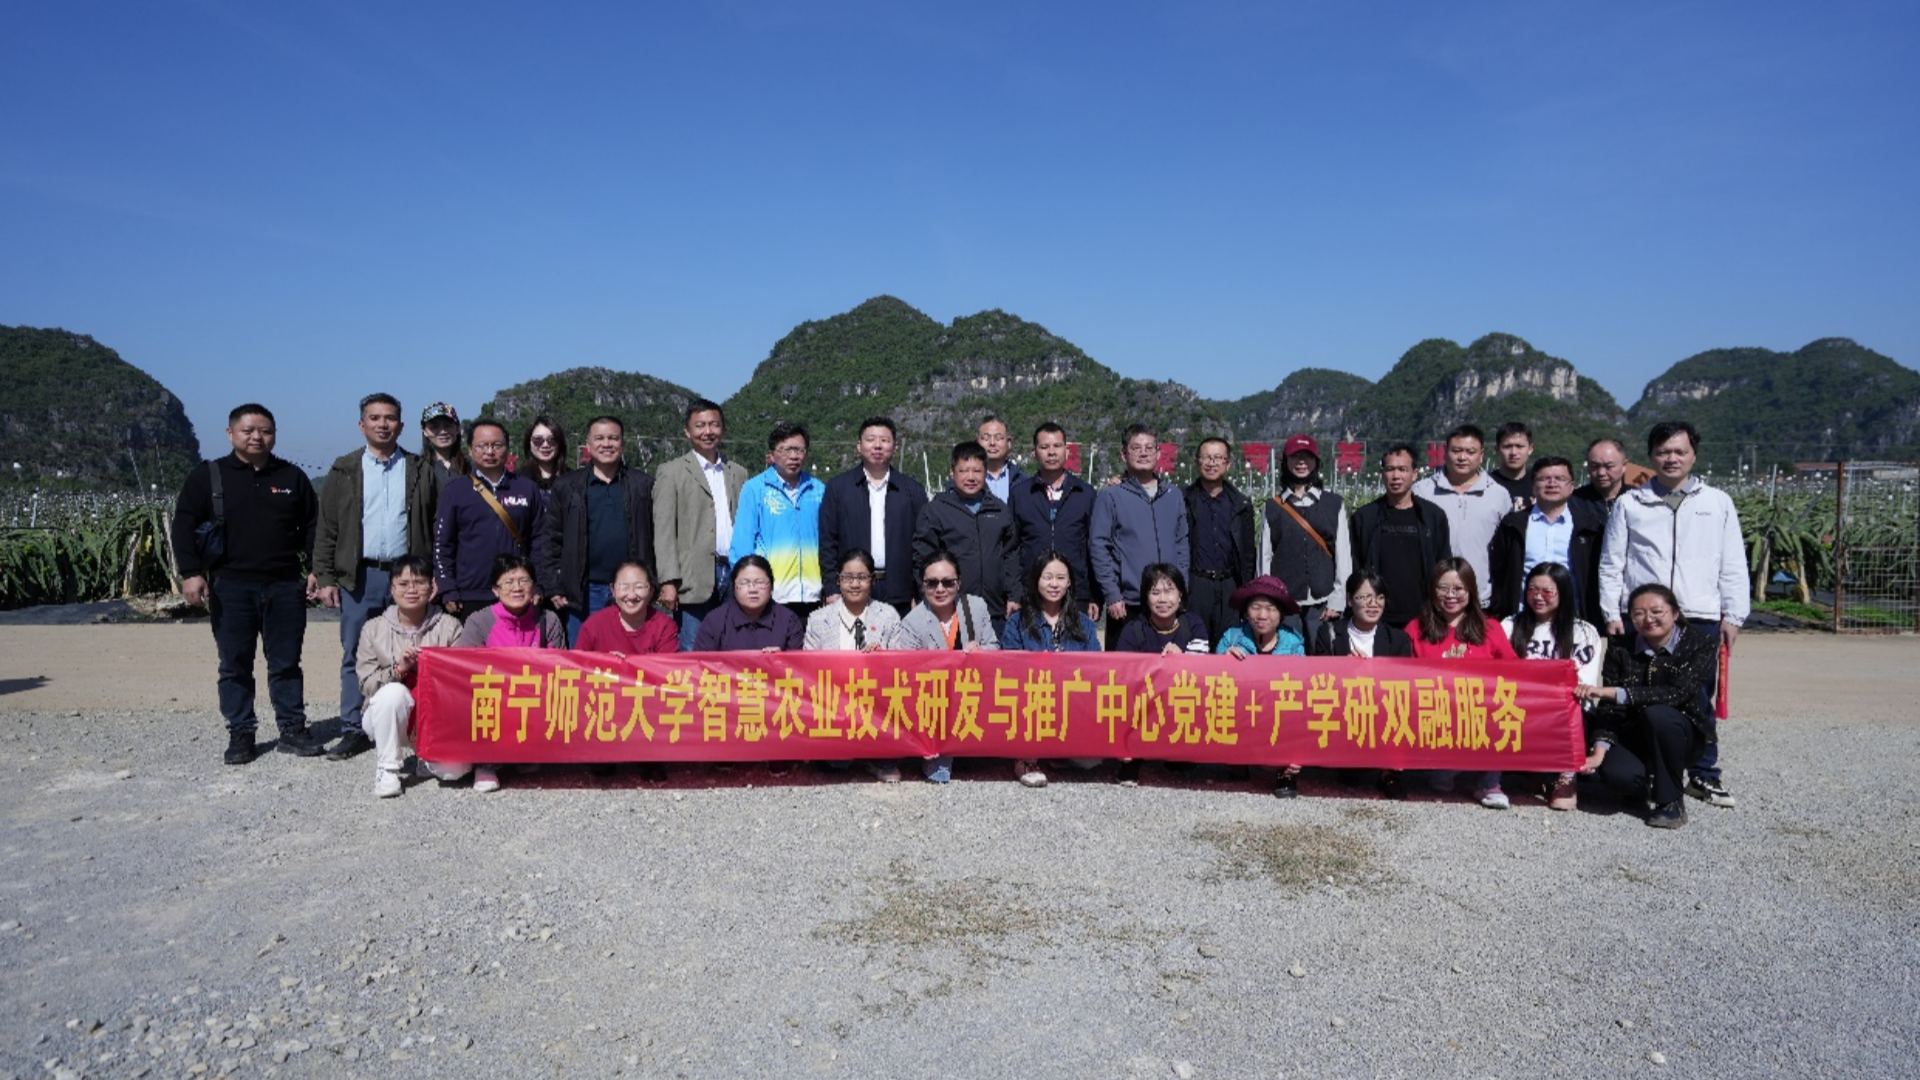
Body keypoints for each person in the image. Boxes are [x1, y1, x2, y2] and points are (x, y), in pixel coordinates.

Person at [1596, 420, 1749, 810]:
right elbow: (1612, 562)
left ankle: (1703, 773)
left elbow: (1733, 562)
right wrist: (1612, 611)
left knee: (1698, 697)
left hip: (1698, 614)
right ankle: (1649, 766)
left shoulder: (1717, 503)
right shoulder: (1631, 503)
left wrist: (1733, 615)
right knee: (1640, 693)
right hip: (1642, 616)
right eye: (1663, 451)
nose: (1671, 458)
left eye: (1680, 451)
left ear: (1694, 455)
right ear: (1650, 456)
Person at [170, 404, 324, 765]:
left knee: (286, 662)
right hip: (230, 586)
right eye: (248, 430)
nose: (257, 437)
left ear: (275, 435)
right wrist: (191, 572)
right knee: (235, 664)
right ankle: (241, 732)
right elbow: (183, 525)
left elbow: (313, 526)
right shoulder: (208, 476)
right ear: (230, 434)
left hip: (285, 584)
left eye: (265, 431)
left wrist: (316, 569)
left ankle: (292, 728)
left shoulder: (291, 476)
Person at [309, 392, 441, 761]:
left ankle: (414, 724)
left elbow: (435, 525)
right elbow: (327, 527)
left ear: (401, 424)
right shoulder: (344, 470)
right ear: (361, 424)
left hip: (409, 576)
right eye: (375, 418)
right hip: (360, 576)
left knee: (416, 650)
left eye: (390, 418)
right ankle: (353, 728)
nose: (383, 424)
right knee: (356, 651)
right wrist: (326, 576)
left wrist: (433, 575)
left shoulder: (419, 469)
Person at [1575, 584, 1716, 828]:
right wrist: (1598, 752)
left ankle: (1670, 802)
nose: (1648, 619)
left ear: (1675, 613)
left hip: (1681, 734)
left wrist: (1618, 693)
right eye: (1638, 613)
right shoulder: (1620, 647)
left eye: (1657, 612)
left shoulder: (1699, 643)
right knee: (1619, 777)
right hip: (1633, 733)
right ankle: (1640, 787)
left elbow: (1678, 693)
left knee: (1658, 714)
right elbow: (1610, 707)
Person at [438, 554, 568, 793]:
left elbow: (560, 669)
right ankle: (485, 762)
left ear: (533, 586)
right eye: (508, 582)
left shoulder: (548, 620)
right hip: (493, 699)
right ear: (495, 590)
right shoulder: (479, 621)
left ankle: (527, 751)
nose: (517, 587)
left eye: (524, 580)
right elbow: (464, 672)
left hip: (532, 697)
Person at [1408, 557, 1518, 808]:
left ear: (1471, 591)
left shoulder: (1490, 628)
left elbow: (1514, 671)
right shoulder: (1416, 628)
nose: (1450, 595)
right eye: (1443, 588)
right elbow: (1401, 677)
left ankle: (1489, 783)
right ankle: (1443, 770)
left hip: (1481, 714)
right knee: (1441, 781)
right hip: (1435, 716)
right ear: (1432, 590)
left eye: (1458, 588)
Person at [535, 415, 656, 644]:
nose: (606, 444)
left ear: (623, 443)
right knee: (584, 656)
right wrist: (553, 586)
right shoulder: (568, 486)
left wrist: (655, 583)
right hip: (583, 591)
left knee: (629, 653)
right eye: (599, 438)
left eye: (613, 438)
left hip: (631, 590)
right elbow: (551, 540)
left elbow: (657, 537)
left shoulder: (643, 485)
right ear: (588, 445)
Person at [354, 556, 463, 798]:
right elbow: (366, 685)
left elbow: (461, 681)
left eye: (419, 582)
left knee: (455, 771)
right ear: (392, 589)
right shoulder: (373, 629)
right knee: (393, 693)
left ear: (432, 587)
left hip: (436, 714)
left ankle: (427, 756)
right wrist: (398, 669)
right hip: (388, 715)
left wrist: (433, 667)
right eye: (403, 584)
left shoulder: (451, 626)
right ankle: (388, 769)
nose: (411, 590)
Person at [1500, 561, 1604, 812]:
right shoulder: (1509, 625)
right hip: (1520, 702)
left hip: (1563, 707)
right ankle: (1522, 773)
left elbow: (1581, 685)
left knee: (1571, 707)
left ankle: (1566, 776)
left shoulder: (1585, 632)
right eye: (1532, 590)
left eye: (1547, 591)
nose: (1538, 597)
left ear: (1563, 592)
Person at [653, 399, 750, 650]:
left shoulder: (738, 473)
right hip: (693, 576)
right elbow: (663, 532)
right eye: (700, 425)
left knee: (733, 646)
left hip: (734, 571)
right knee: (693, 649)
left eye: (714, 425)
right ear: (687, 431)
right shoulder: (671, 472)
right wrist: (668, 581)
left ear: (723, 429)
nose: (708, 431)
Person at [999, 551, 1101, 788]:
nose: (1054, 584)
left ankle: (1057, 753)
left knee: (1091, 761)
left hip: (1072, 703)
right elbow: (1008, 668)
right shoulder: (1017, 621)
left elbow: (1097, 668)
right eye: (1047, 577)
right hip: (1031, 703)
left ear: (1069, 583)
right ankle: (1026, 759)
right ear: (1036, 580)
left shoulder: (1084, 623)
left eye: (1060, 578)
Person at [896, 550, 999, 784]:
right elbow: (908, 675)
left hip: (973, 692)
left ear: (959, 583)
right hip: (934, 701)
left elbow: (994, 647)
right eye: (932, 583)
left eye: (948, 582)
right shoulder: (913, 622)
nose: (940, 589)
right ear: (922, 586)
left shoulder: (976, 608)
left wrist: (981, 653)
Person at [806, 548, 906, 782]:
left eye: (861, 577)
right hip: (834, 703)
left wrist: (884, 659)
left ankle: (878, 757)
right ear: (838, 580)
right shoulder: (818, 619)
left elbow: (902, 668)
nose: (854, 584)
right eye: (848, 577)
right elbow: (808, 670)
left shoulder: (888, 615)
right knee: (836, 765)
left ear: (872, 580)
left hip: (877, 703)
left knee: (887, 760)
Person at [1090, 424, 1190, 649]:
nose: (1143, 453)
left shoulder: (1173, 495)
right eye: (1136, 448)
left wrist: (1181, 589)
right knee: (1124, 668)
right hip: (1128, 604)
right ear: (1124, 454)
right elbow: (1099, 547)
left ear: (1158, 453)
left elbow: (1182, 544)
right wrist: (1112, 594)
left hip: (1167, 604)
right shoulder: (1111, 495)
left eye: (1149, 448)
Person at [433, 418, 544, 620]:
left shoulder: (527, 488)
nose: (490, 451)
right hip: (469, 594)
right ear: (470, 449)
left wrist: (538, 584)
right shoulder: (455, 490)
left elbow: (540, 541)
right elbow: (443, 544)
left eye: (497, 445)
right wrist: (447, 587)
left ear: (507, 448)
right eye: (482, 445)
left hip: (517, 591)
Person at [817, 416, 926, 617]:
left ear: (894, 447)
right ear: (859, 446)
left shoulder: (913, 490)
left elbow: (923, 545)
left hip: (900, 592)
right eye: (870, 439)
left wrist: (919, 592)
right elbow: (828, 542)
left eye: (884, 440)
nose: (877, 445)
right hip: (852, 590)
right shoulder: (838, 488)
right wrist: (832, 588)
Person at [914, 441, 1020, 634]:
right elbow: (922, 559)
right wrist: (926, 598)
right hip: (949, 610)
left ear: (985, 472)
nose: (971, 477)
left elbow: (1010, 556)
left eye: (977, 471)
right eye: (963, 471)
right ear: (952, 472)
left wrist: (1014, 595)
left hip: (994, 610)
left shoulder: (1000, 510)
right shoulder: (935, 511)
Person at [1215, 576, 1307, 797]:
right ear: (1246, 611)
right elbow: (1212, 683)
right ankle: (1238, 759)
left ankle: (1286, 770)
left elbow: (1303, 690)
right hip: (1243, 710)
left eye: (1271, 608)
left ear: (1281, 613)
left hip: (1278, 713)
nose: (1262, 615)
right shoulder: (1231, 638)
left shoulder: (1295, 643)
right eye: (1256, 607)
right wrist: (1223, 661)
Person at [1259, 434, 1352, 649]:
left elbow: (1343, 555)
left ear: (1316, 462)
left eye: (1307, 457)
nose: (1301, 462)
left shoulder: (1333, 504)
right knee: (1287, 658)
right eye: (1295, 457)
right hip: (1285, 602)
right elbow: (1265, 557)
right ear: (1286, 462)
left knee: (1322, 658)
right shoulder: (1273, 507)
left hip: (1323, 602)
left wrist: (1338, 600)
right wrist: (1267, 600)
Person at [1487, 455, 1605, 620]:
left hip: (1573, 618)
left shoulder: (1589, 527)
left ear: (1572, 486)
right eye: (1544, 479)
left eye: (1560, 479)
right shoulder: (1513, 525)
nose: (1552, 484)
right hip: (1523, 618)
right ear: (1533, 486)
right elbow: (1498, 572)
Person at [1349, 444, 1453, 632]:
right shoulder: (1365, 518)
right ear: (1382, 474)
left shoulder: (1433, 516)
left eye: (1403, 469)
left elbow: (1443, 564)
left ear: (1414, 474)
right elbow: (1356, 565)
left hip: (1423, 615)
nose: (1396, 476)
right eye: (1390, 469)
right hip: (1377, 616)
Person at [730, 422, 824, 622]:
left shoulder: (818, 489)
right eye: (786, 450)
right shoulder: (755, 489)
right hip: (771, 595)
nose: (794, 456)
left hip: (812, 595)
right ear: (772, 454)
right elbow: (742, 543)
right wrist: (746, 587)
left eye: (799, 450)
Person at [1008, 422, 1099, 622]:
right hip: (1031, 593)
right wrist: (1014, 593)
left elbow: (1093, 547)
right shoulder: (1020, 494)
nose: (1051, 452)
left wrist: (1094, 595)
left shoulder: (1085, 493)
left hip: (1076, 593)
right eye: (1044, 447)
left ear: (1067, 451)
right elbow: (1012, 548)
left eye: (1057, 446)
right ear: (1034, 452)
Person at [1411, 425, 1509, 608]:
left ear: (1481, 455)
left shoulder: (1498, 495)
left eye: (1470, 452)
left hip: (1480, 599)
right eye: (1456, 451)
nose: (1462, 457)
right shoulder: (1422, 491)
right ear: (1445, 451)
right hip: (1433, 598)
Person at [1182, 436, 1256, 645]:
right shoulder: (1183, 500)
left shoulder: (1241, 505)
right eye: (1206, 457)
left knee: (1229, 645)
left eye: (1218, 458)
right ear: (1197, 462)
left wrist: (1247, 592)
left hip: (1229, 586)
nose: (1212, 463)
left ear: (1228, 463)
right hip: (1196, 585)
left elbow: (1248, 554)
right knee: (1195, 644)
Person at [693, 554, 805, 652]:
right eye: (744, 583)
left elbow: (799, 665)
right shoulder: (714, 621)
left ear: (771, 586)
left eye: (760, 582)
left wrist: (783, 659)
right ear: (734, 587)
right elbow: (700, 664)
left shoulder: (789, 621)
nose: (752, 589)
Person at [574, 560, 679, 656]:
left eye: (639, 587)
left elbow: (666, 668)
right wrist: (606, 663)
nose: (631, 595)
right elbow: (577, 665)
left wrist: (626, 665)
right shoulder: (593, 625)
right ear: (613, 590)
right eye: (624, 587)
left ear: (651, 590)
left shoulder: (665, 627)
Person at [1310, 569, 1413, 659]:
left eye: (1380, 597)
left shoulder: (1397, 640)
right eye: (1365, 597)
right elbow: (1321, 671)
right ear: (1349, 600)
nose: (1373, 604)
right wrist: (1343, 666)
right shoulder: (1328, 635)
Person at [1114, 564, 1210, 656]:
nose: (1162, 599)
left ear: (1180, 595)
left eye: (1169, 591)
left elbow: (1199, 664)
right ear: (1146, 598)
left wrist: (1180, 657)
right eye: (1155, 593)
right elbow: (1123, 665)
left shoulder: (1194, 626)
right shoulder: (1133, 631)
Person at [976, 415, 1026, 504]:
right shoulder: (965, 480)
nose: (992, 443)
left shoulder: (1022, 480)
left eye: (998, 438)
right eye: (986, 438)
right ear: (977, 442)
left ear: (1008, 442)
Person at [1573, 437, 1632, 512]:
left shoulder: (1637, 501)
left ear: (1624, 466)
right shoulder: (1573, 503)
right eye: (1595, 466)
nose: (1601, 473)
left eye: (1609, 466)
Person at [1490, 421, 1535, 514]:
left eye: (1519, 446)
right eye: (1507, 447)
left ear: (1530, 449)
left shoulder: (1541, 483)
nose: (1513, 452)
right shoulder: (1486, 485)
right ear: (1497, 449)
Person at [419, 402, 469, 482]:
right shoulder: (418, 469)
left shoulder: (471, 468)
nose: (443, 432)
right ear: (424, 431)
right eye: (435, 426)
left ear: (457, 429)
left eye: (447, 425)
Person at [519, 417, 569, 491]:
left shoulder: (573, 479)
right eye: (538, 440)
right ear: (528, 443)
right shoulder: (518, 480)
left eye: (552, 440)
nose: (545, 445)